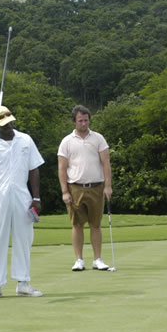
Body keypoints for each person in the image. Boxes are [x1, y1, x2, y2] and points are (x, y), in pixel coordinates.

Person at [0, 105, 45, 300]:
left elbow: (34, 169)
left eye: (10, 122)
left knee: (24, 239)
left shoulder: (26, 140)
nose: (8, 126)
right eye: (3, 124)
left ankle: (23, 283)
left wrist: (36, 197)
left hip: (22, 197)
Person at [58, 105, 113, 271]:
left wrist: (108, 186)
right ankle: (79, 260)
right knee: (77, 224)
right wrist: (65, 192)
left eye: (86, 120)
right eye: (80, 120)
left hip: (96, 186)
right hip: (75, 187)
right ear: (74, 121)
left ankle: (98, 259)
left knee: (95, 224)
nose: (84, 123)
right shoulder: (67, 141)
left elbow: (106, 163)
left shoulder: (98, 139)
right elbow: (61, 168)